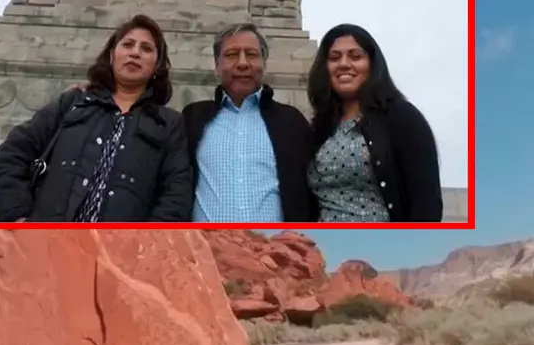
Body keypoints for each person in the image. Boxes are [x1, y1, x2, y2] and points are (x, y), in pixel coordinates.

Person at [0, 14, 193, 223]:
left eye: (146, 48)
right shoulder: (73, 103)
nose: (135, 53)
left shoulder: (169, 124)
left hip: (117, 251)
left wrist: (146, 247)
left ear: (157, 66)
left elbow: (176, 195)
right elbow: (10, 156)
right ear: (112, 55)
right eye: (128, 44)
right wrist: (15, 219)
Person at [306, 24, 442, 222]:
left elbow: (426, 201)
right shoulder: (320, 128)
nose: (344, 64)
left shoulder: (402, 117)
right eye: (334, 57)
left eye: (355, 56)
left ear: (372, 64)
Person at [182, 23, 316, 223]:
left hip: (272, 247)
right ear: (216, 66)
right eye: (232, 54)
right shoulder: (192, 118)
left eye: (252, 54)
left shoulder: (292, 122)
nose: (243, 63)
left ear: (264, 64)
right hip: (207, 247)